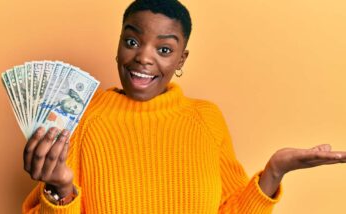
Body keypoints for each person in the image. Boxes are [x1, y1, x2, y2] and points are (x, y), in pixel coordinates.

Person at [22, 0, 346, 213]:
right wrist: (59, 190)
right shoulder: (78, 119)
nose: (144, 57)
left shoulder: (205, 119)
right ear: (119, 45)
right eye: (132, 41)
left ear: (181, 59)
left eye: (164, 49)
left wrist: (275, 170)